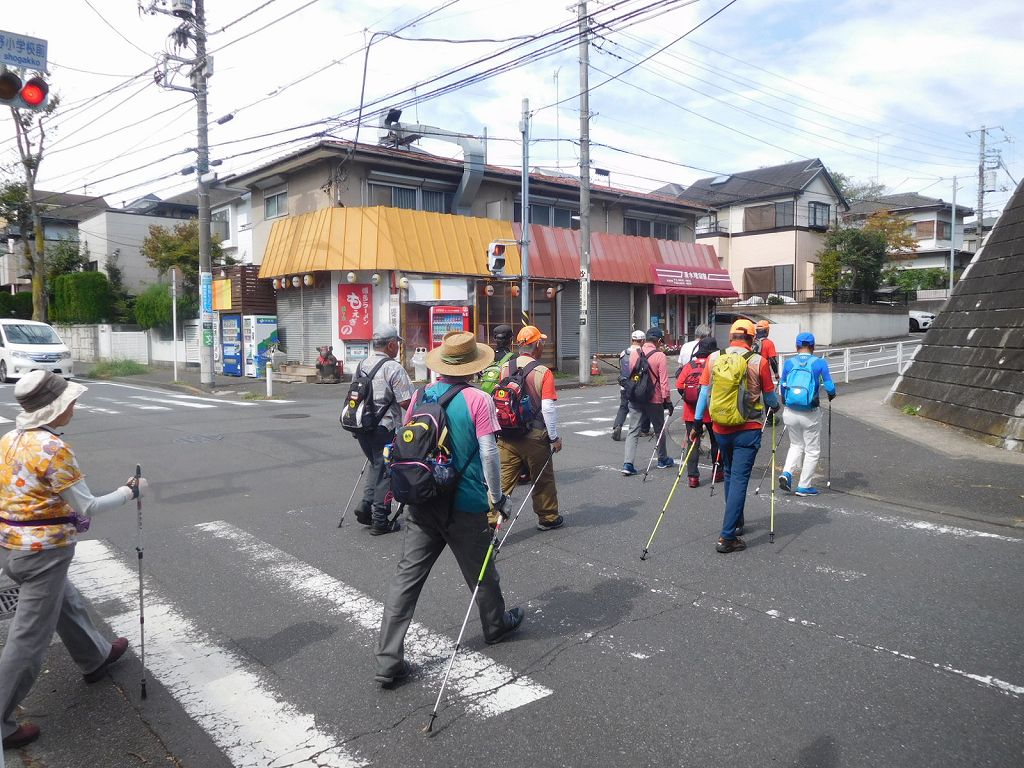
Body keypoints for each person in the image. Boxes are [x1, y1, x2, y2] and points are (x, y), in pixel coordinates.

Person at [0, 371, 147, 750]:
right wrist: (130, 493)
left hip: (12, 545)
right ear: (56, 408)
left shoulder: (10, 439)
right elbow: (89, 505)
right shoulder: (53, 450)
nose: (74, 406)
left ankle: (95, 657)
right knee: (28, 640)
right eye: (70, 401)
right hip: (43, 553)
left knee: (63, 599)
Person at [375, 331, 523, 687]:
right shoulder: (478, 399)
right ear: (474, 365)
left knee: (407, 579)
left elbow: (404, 440)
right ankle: (494, 626)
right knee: (482, 572)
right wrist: (497, 497)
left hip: (423, 499)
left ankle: (388, 659)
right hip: (465, 503)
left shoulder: (423, 394)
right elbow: (489, 453)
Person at [692, 319, 779, 553]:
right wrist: (776, 407)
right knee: (739, 479)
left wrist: (698, 424)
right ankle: (727, 536)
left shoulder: (713, 358)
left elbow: (704, 394)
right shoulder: (758, 361)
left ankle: (736, 523)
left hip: (720, 429)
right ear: (752, 339)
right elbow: (770, 399)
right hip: (747, 429)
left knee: (730, 474)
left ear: (731, 337)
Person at [494, 326, 564, 531]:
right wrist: (554, 438)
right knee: (543, 479)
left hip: (507, 434)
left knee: (503, 483)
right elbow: (548, 408)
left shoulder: (505, 368)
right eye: (541, 342)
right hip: (534, 436)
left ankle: (490, 522)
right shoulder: (543, 372)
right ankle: (548, 517)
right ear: (537, 345)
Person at [353, 324, 414, 535]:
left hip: (362, 426)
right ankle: (380, 519)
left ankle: (366, 505)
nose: (397, 346)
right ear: (390, 344)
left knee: (376, 465)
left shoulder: (362, 364)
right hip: (385, 428)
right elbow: (407, 401)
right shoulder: (393, 368)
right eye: (396, 343)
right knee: (387, 470)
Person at [778, 332, 837, 496]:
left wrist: (786, 402)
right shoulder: (819, 363)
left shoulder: (789, 363)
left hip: (790, 411)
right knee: (812, 450)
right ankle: (804, 486)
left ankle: (787, 473)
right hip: (809, 412)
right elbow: (830, 387)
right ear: (813, 346)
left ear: (796, 346)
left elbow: (782, 386)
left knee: (795, 445)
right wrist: (831, 394)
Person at [622, 327, 674, 476]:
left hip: (636, 396)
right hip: (654, 398)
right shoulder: (660, 356)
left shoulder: (634, 353)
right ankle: (662, 459)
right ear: (658, 341)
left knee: (633, 430)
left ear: (645, 340)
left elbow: (633, 375)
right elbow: (664, 382)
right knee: (659, 429)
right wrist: (668, 401)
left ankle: (628, 463)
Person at [677, 336, 721, 488]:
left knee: (693, 442)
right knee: (716, 441)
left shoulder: (689, 365)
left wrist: (688, 399)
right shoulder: (715, 364)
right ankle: (718, 471)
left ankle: (693, 477)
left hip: (691, 411)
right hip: (711, 411)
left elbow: (679, 385)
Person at [612, 330, 650, 441]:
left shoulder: (623, 353)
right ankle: (643, 429)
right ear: (642, 341)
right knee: (642, 407)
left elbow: (621, 369)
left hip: (624, 385)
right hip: (637, 386)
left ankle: (618, 425)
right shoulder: (642, 353)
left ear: (632, 339)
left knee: (623, 407)